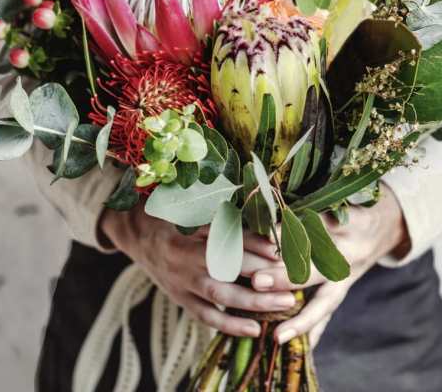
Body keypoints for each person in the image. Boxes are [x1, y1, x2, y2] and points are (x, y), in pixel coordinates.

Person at [29, 135, 442, 391]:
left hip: (374, 322)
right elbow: (24, 86)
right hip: (131, 291)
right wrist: (128, 221)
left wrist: (393, 214)